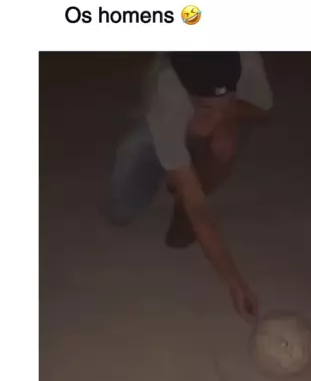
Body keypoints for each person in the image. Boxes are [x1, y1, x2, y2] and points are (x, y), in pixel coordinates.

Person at [106, 52, 273, 321]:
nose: (213, 116)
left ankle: (183, 184)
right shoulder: (169, 90)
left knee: (224, 146)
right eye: (206, 108)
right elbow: (197, 203)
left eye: (223, 103)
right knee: (120, 210)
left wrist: (229, 113)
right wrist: (234, 280)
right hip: (165, 118)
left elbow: (264, 109)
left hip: (204, 111)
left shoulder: (246, 58)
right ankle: (171, 164)